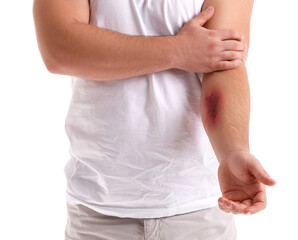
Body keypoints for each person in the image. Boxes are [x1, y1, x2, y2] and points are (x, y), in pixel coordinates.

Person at [33, 0, 276, 239]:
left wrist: (233, 151)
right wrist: (178, 50)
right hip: (99, 209)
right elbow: (59, 49)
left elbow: (226, 63)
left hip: (198, 208)